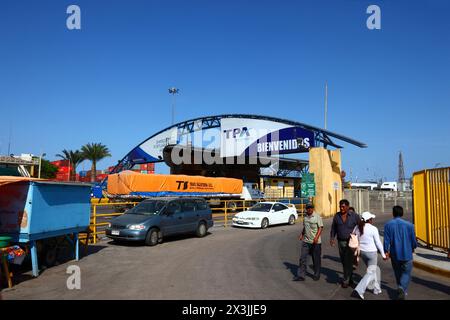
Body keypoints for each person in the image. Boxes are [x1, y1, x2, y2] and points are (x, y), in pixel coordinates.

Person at [351, 211, 387, 300]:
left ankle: (376, 289)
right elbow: (378, 243)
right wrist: (383, 254)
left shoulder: (357, 227)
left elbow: (353, 236)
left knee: (372, 271)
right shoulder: (373, 228)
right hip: (371, 253)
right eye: (371, 219)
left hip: (362, 252)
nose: (372, 220)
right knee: (371, 272)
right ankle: (359, 290)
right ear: (369, 220)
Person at [384, 205, 417, 300]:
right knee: (406, 273)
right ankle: (402, 288)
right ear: (402, 213)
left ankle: (400, 289)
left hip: (395, 254)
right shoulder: (410, 225)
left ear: (393, 213)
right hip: (407, 253)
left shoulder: (388, 225)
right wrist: (414, 246)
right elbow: (413, 240)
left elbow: (386, 240)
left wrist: (386, 251)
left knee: (397, 272)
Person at [330, 199, 361, 288]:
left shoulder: (355, 216)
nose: (341, 208)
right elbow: (333, 228)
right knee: (344, 261)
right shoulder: (337, 216)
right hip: (341, 242)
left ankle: (345, 280)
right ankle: (350, 278)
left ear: (347, 206)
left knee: (349, 261)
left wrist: (360, 240)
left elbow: (360, 227)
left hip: (351, 243)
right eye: (340, 206)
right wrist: (332, 238)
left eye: (343, 206)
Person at [293, 203, 323, 281]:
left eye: (311, 208)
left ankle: (317, 274)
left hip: (315, 242)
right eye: (308, 208)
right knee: (302, 258)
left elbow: (320, 228)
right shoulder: (305, 217)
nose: (309, 209)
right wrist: (302, 234)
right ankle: (301, 275)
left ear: (313, 208)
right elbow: (305, 227)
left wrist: (316, 237)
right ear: (306, 209)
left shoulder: (317, 217)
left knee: (316, 259)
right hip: (306, 241)